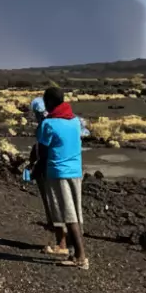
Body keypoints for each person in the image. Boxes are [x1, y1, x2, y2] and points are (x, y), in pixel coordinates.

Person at [35, 86, 89, 269]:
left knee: (67, 213)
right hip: (76, 171)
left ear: (49, 102)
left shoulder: (48, 124)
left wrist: (36, 169)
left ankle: (81, 257)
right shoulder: (74, 121)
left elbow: (42, 151)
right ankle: (69, 248)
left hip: (58, 172)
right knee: (74, 211)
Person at [25, 97, 62, 253]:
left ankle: (62, 244)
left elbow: (45, 149)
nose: (38, 115)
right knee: (55, 206)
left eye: (38, 113)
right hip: (51, 169)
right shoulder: (52, 124)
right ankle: (62, 242)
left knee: (54, 207)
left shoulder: (47, 126)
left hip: (49, 170)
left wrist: (35, 165)